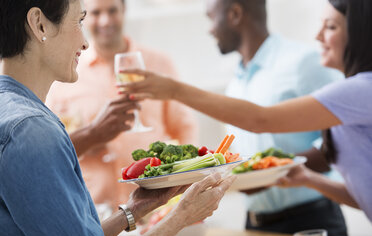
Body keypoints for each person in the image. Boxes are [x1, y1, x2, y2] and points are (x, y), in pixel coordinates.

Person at [0, 1, 235, 236]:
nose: (85, 42)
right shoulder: (31, 129)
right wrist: (182, 216)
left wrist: (133, 210)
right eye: (79, 21)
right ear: (39, 25)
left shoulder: (13, 112)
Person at [122, 0, 372, 222]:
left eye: (330, 26)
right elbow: (364, 196)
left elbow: (259, 119)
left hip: (309, 214)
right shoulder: (239, 79)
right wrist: (306, 178)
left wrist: (174, 90)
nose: (317, 35)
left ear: (358, 34)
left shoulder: (359, 89)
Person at [204, 0, 347, 236]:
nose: (209, 29)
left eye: (211, 18)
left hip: (310, 218)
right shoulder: (236, 82)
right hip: (255, 224)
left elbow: (341, 138)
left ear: (235, 14)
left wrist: (273, 172)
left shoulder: (303, 63)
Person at [46, 0, 198, 209]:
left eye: (112, 11)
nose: (105, 20)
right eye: (96, 13)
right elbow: (54, 149)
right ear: (83, 17)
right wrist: (89, 138)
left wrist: (185, 189)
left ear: (124, 11)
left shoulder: (159, 63)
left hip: (154, 205)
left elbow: (185, 129)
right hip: (94, 210)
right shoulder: (65, 75)